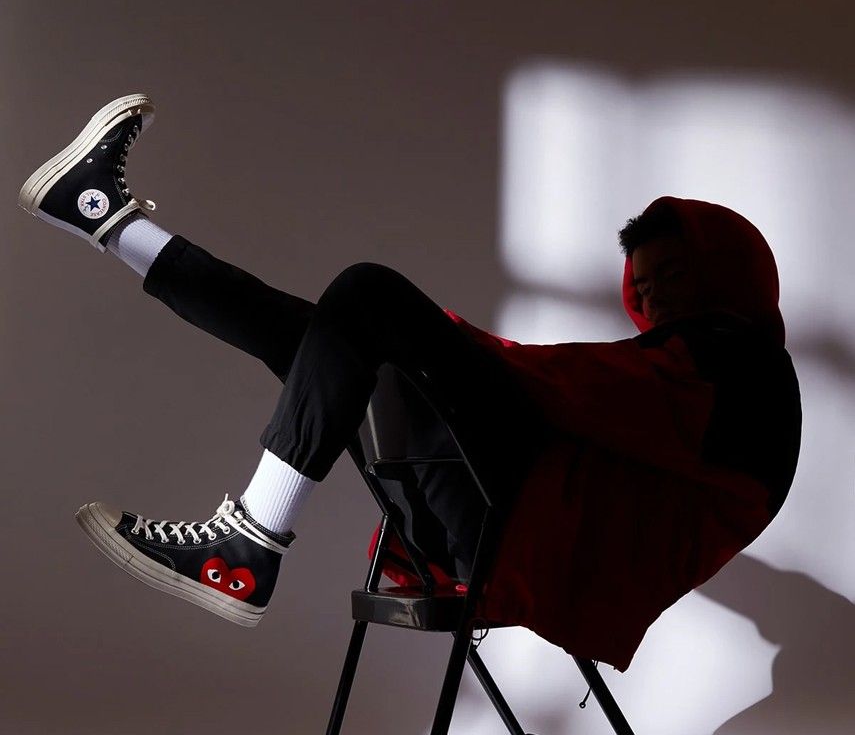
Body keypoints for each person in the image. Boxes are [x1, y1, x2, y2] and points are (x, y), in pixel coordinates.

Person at [19, 94, 803, 672]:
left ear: (727, 269)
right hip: (486, 523)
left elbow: (582, 391)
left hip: (507, 537)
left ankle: (250, 542)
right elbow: (589, 401)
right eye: (645, 284)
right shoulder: (687, 367)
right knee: (322, 331)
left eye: (674, 275)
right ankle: (104, 217)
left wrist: (447, 340)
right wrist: (444, 346)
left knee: (367, 296)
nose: (655, 299)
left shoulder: (740, 361)